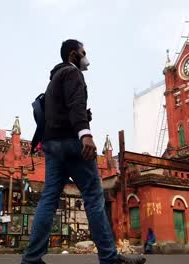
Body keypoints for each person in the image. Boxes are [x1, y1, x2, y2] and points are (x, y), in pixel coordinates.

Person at [21, 39, 146, 264]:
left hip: (51, 145)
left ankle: (31, 259)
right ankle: (109, 258)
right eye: (83, 52)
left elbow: (63, 111)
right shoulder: (72, 73)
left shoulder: (53, 81)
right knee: (93, 197)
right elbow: (75, 104)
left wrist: (81, 121)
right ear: (72, 54)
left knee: (48, 198)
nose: (85, 56)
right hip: (71, 142)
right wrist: (85, 134)